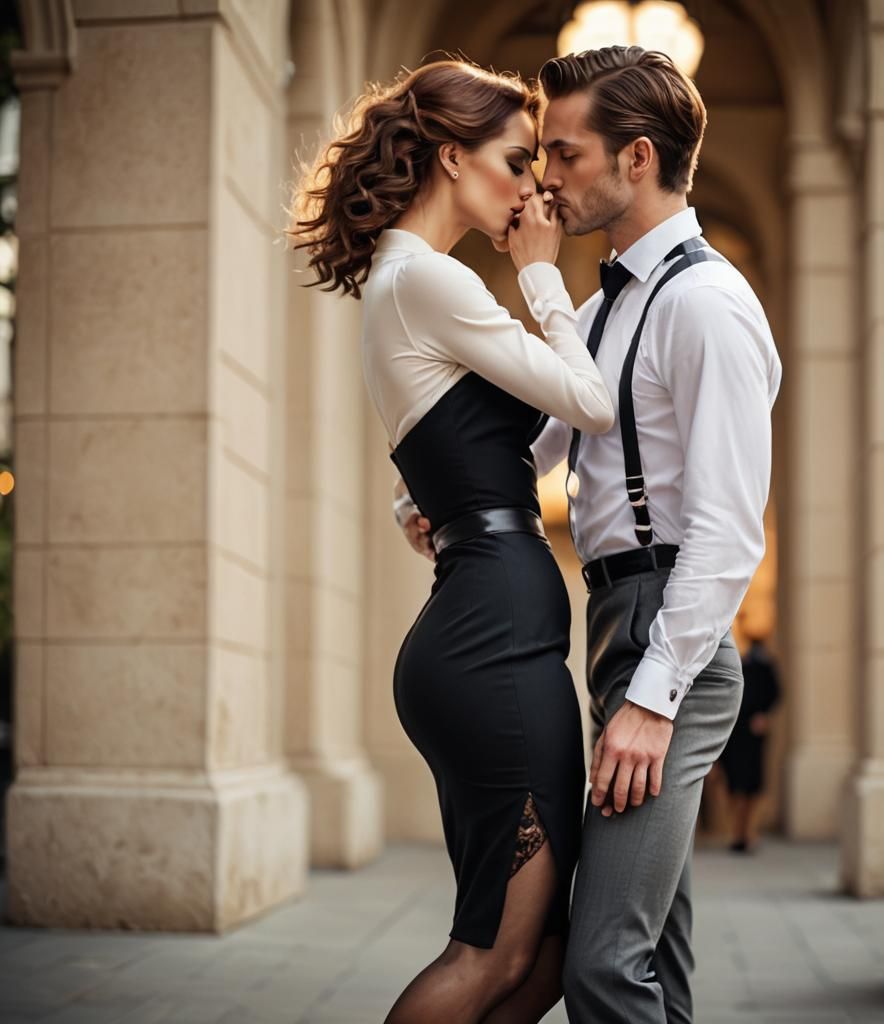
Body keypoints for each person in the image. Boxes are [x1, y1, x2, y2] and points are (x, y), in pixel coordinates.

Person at [399, 45, 781, 1024]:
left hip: (670, 642)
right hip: (616, 619)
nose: (544, 175)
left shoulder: (704, 304)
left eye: (564, 153)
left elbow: (730, 530)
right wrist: (437, 503)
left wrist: (654, 699)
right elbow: (545, 434)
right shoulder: (615, 300)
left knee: (601, 964)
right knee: (653, 949)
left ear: (637, 158)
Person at [291, 60, 614, 1024]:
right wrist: (547, 273)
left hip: (495, 630)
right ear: (451, 157)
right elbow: (590, 404)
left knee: (544, 954)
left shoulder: (410, 284)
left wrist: (419, 508)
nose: (534, 187)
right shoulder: (424, 279)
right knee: (494, 949)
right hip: (487, 645)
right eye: (518, 160)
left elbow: (443, 462)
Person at [719, 636, 782, 853]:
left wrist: (763, 715)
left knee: (752, 784)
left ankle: (749, 832)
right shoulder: (729, 659)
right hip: (732, 731)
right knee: (733, 782)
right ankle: (735, 833)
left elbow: (774, 693)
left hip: (752, 732)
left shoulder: (763, 666)